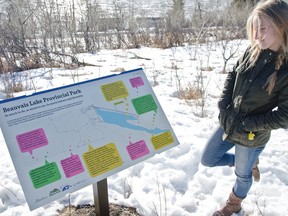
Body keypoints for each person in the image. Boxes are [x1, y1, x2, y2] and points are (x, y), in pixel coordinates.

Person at [200, 0, 288, 215]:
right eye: (254, 29)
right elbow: (233, 74)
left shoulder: (286, 69)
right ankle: (249, 164)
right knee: (208, 159)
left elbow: (285, 117)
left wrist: (248, 124)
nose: (257, 36)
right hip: (229, 120)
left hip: (251, 134)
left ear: (282, 25)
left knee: (242, 176)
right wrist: (223, 104)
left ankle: (233, 204)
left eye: (263, 29)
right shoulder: (253, 50)